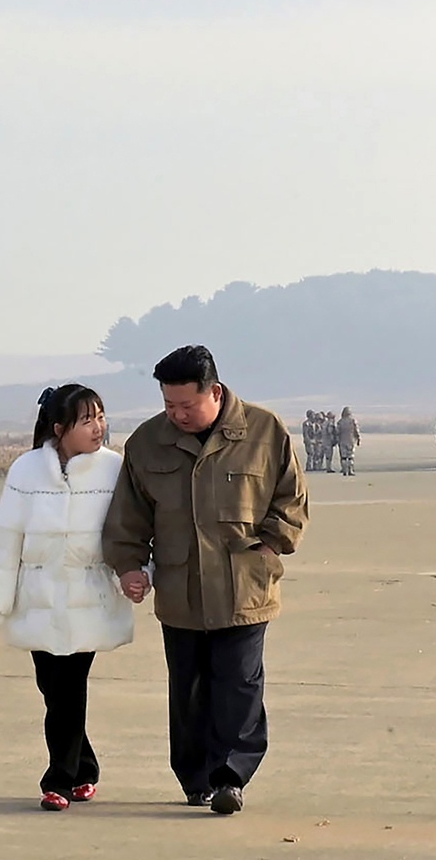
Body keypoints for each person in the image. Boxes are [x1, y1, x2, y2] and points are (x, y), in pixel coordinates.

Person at [105, 346, 308, 816]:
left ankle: (230, 777)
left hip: (244, 586)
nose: (177, 415)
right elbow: (128, 516)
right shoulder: (146, 443)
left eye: (187, 405)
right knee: (189, 690)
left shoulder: (264, 431)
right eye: (168, 405)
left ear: (214, 392)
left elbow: (291, 498)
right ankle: (195, 779)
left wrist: (271, 545)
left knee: (239, 684)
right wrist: (129, 565)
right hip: (181, 589)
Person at [0, 384, 133, 812]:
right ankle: (85, 768)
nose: (98, 427)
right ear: (60, 429)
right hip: (38, 598)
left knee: (68, 688)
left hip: (87, 597)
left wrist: (135, 574)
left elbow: (129, 532)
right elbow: (7, 540)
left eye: (101, 417)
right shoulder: (26, 471)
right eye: (87, 420)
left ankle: (58, 780)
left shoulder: (114, 469)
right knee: (52, 688)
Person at [336, 407, 361, 477]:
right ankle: (350, 470)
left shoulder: (340, 422)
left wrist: (337, 440)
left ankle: (344, 470)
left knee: (343, 457)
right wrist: (358, 439)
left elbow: (337, 432)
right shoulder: (353, 421)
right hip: (351, 441)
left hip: (342, 441)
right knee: (350, 457)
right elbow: (356, 431)